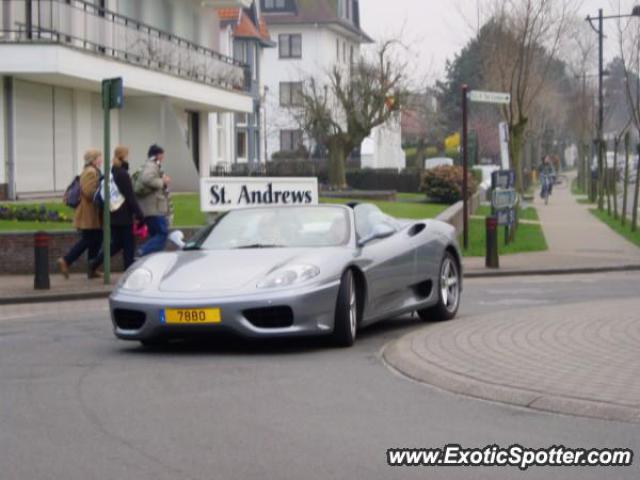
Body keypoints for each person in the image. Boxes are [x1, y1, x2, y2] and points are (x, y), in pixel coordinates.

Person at [90, 146, 145, 272]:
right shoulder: (122, 174)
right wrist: (140, 215)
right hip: (123, 216)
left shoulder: (111, 171)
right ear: (124, 156)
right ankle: (128, 271)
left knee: (117, 244)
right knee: (128, 246)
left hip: (112, 213)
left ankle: (94, 262)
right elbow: (130, 197)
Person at [57, 149, 103, 279]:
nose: (101, 160)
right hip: (89, 213)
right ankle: (66, 260)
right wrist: (103, 193)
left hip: (92, 213)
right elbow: (88, 191)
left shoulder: (92, 171)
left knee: (96, 239)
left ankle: (91, 269)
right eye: (99, 157)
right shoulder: (90, 172)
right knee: (89, 240)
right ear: (93, 160)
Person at [137, 144, 172, 256]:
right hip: (154, 208)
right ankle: (143, 251)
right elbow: (147, 179)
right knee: (163, 233)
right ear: (158, 155)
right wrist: (163, 181)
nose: (163, 157)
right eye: (162, 155)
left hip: (151, 208)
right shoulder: (152, 166)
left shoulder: (150, 165)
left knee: (156, 235)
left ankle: (152, 258)